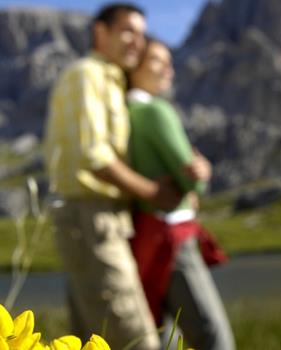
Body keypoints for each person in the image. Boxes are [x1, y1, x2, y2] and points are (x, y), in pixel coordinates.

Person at [44, 4, 182, 349]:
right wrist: (153, 192)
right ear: (99, 32)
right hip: (92, 215)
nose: (137, 41)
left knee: (92, 334)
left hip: (102, 218)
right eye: (127, 31)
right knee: (134, 336)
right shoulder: (87, 74)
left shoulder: (113, 79)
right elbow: (95, 156)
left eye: (140, 33)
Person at [127, 37, 236, 350]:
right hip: (171, 235)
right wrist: (203, 173)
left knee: (160, 336)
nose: (168, 70)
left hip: (142, 234)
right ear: (135, 65)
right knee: (213, 336)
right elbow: (193, 181)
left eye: (169, 62)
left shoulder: (123, 111)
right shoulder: (155, 112)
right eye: (158, 61)